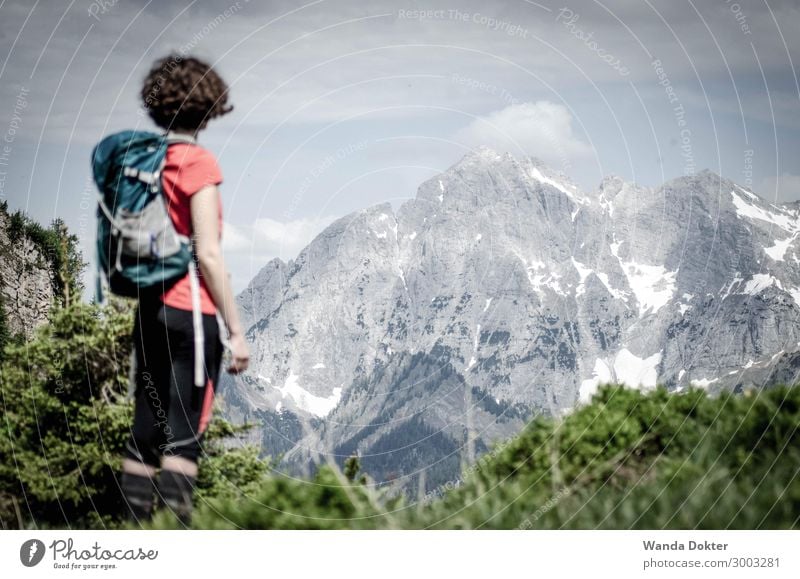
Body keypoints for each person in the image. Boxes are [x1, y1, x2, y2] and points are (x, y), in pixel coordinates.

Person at [118, 54, 250, 526]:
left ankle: (131, 543)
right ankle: (175, 541)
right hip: (191, 312)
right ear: (209, 106)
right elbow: (208, 254)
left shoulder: (141, 164)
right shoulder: (197, 163)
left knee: (144, 433)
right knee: (182, 436)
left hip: (149, 309)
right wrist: (236, 330)